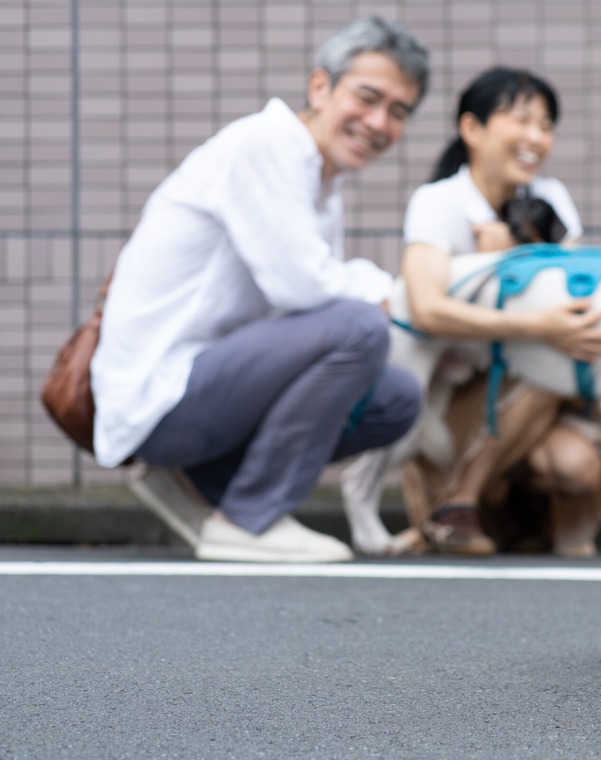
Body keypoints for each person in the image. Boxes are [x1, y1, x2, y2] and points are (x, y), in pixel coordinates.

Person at [89, 16, 430, 563]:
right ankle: (248, 518)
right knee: (359, 327)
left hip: (204, 387)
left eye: (398, 112)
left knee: (395, 399)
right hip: (162, 391)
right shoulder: (268, 144)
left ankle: (201, 483)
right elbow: (303, 286)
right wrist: (384, 291)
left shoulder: (319, 178)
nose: (378, 122)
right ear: (320, 86)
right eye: (368, 97)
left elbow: (306, 292)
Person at [396, 67, 601, 556]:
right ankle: (462, 500)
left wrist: (517, 245)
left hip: (533, 401)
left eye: (546, 125)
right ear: (471, 129)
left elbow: (582, 291)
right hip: (459, 391)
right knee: (549, 357)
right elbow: (427, 308)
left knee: (576, 464)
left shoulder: (550, 197)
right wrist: (535, 325)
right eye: (521, 120)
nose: (536, 137)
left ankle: (502, 511)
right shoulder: (438, 202)